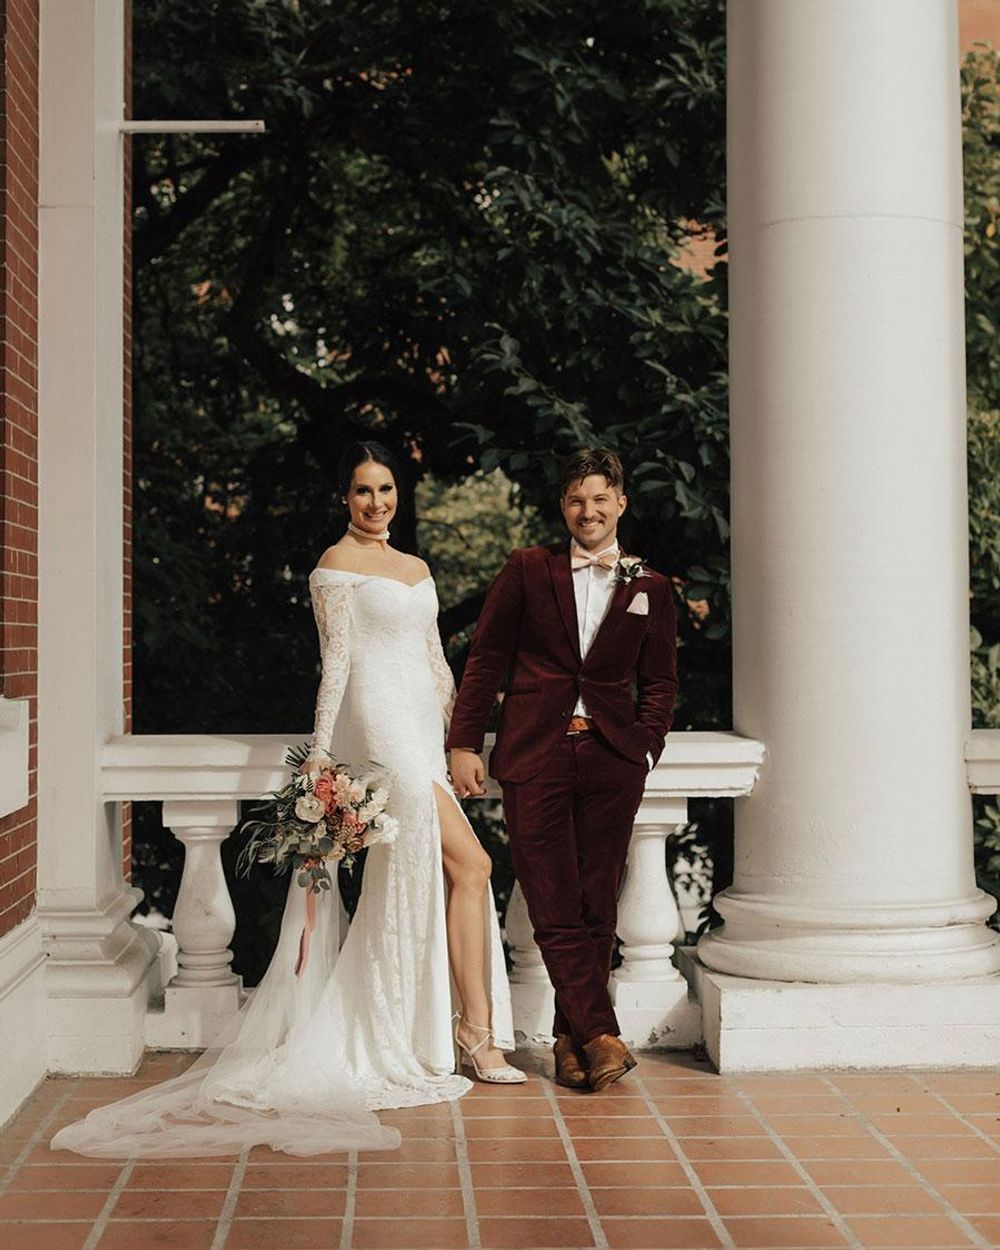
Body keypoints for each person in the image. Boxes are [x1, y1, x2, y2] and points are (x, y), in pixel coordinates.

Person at [51, 440, 522, 1160]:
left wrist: (462, 740)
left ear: (401, 492)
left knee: (452, 872)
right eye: (363, 491)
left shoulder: (416, 568)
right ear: (345, 496)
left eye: (387, 488)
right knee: (476, 866)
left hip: (425, 730)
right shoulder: (334, 568)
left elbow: (436, 661)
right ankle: (472, 1038)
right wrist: (323, 755)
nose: (377, 503)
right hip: (381, 729)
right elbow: (335, 665)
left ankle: (456, 1031)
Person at [448, 447, 678, 1093]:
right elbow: (485, 660)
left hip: (611, 756)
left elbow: (660, 681)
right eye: (577, 499)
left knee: (597, 901)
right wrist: (465, 742)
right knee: (551, 900)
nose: (589, 511)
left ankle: (568, 1043)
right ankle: (602, 1035)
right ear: (563, 506)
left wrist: (646, 745)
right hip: (534, 752)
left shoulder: (649, 587)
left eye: (601, 499)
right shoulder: (528, 570)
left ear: (620, 503)